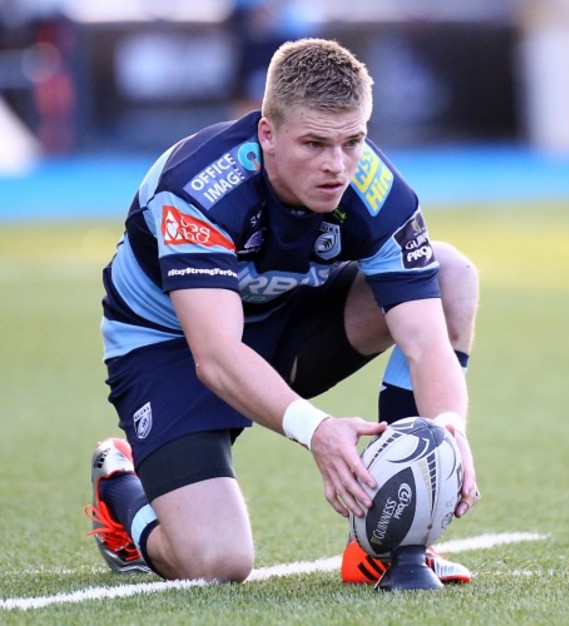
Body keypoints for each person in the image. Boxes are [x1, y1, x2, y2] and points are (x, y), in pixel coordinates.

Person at [85, 38, 480, 584]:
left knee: (450, 274)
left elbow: (426, 340)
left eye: (353, 141)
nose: (336, 165)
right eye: (314, 143)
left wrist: (448, 431)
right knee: (217, 563)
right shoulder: (198, 188)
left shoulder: (378, 189)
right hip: (171, 347)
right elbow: (216, 356)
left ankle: (388, 547)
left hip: (288, 324)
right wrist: (317, 430)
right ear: (266, 133)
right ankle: (121, 493)